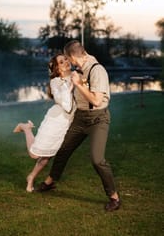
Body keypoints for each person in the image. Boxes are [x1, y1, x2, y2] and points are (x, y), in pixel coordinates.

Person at [38, 40, 121, 212]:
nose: (69, 62)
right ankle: (50, 181)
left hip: (98, 119)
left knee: (97, 159)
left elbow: (97, 101)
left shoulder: (97, 70)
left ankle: (114, 197)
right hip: (80, 118)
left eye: (68, 58)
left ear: (72, 56)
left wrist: (78, 85)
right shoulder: (80, 67)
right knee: (63, 150)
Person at [13, 53, 76, 192]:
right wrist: (71, 86)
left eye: (66, 59)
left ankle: (31, 177)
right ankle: (26, 128)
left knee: (47, 156)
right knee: (35, 154)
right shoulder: (56, 83)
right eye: (61, 62)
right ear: (58, 69)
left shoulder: (76, 76)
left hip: (66, 123)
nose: (66, 62)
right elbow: (65, 104)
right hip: (55, 121)